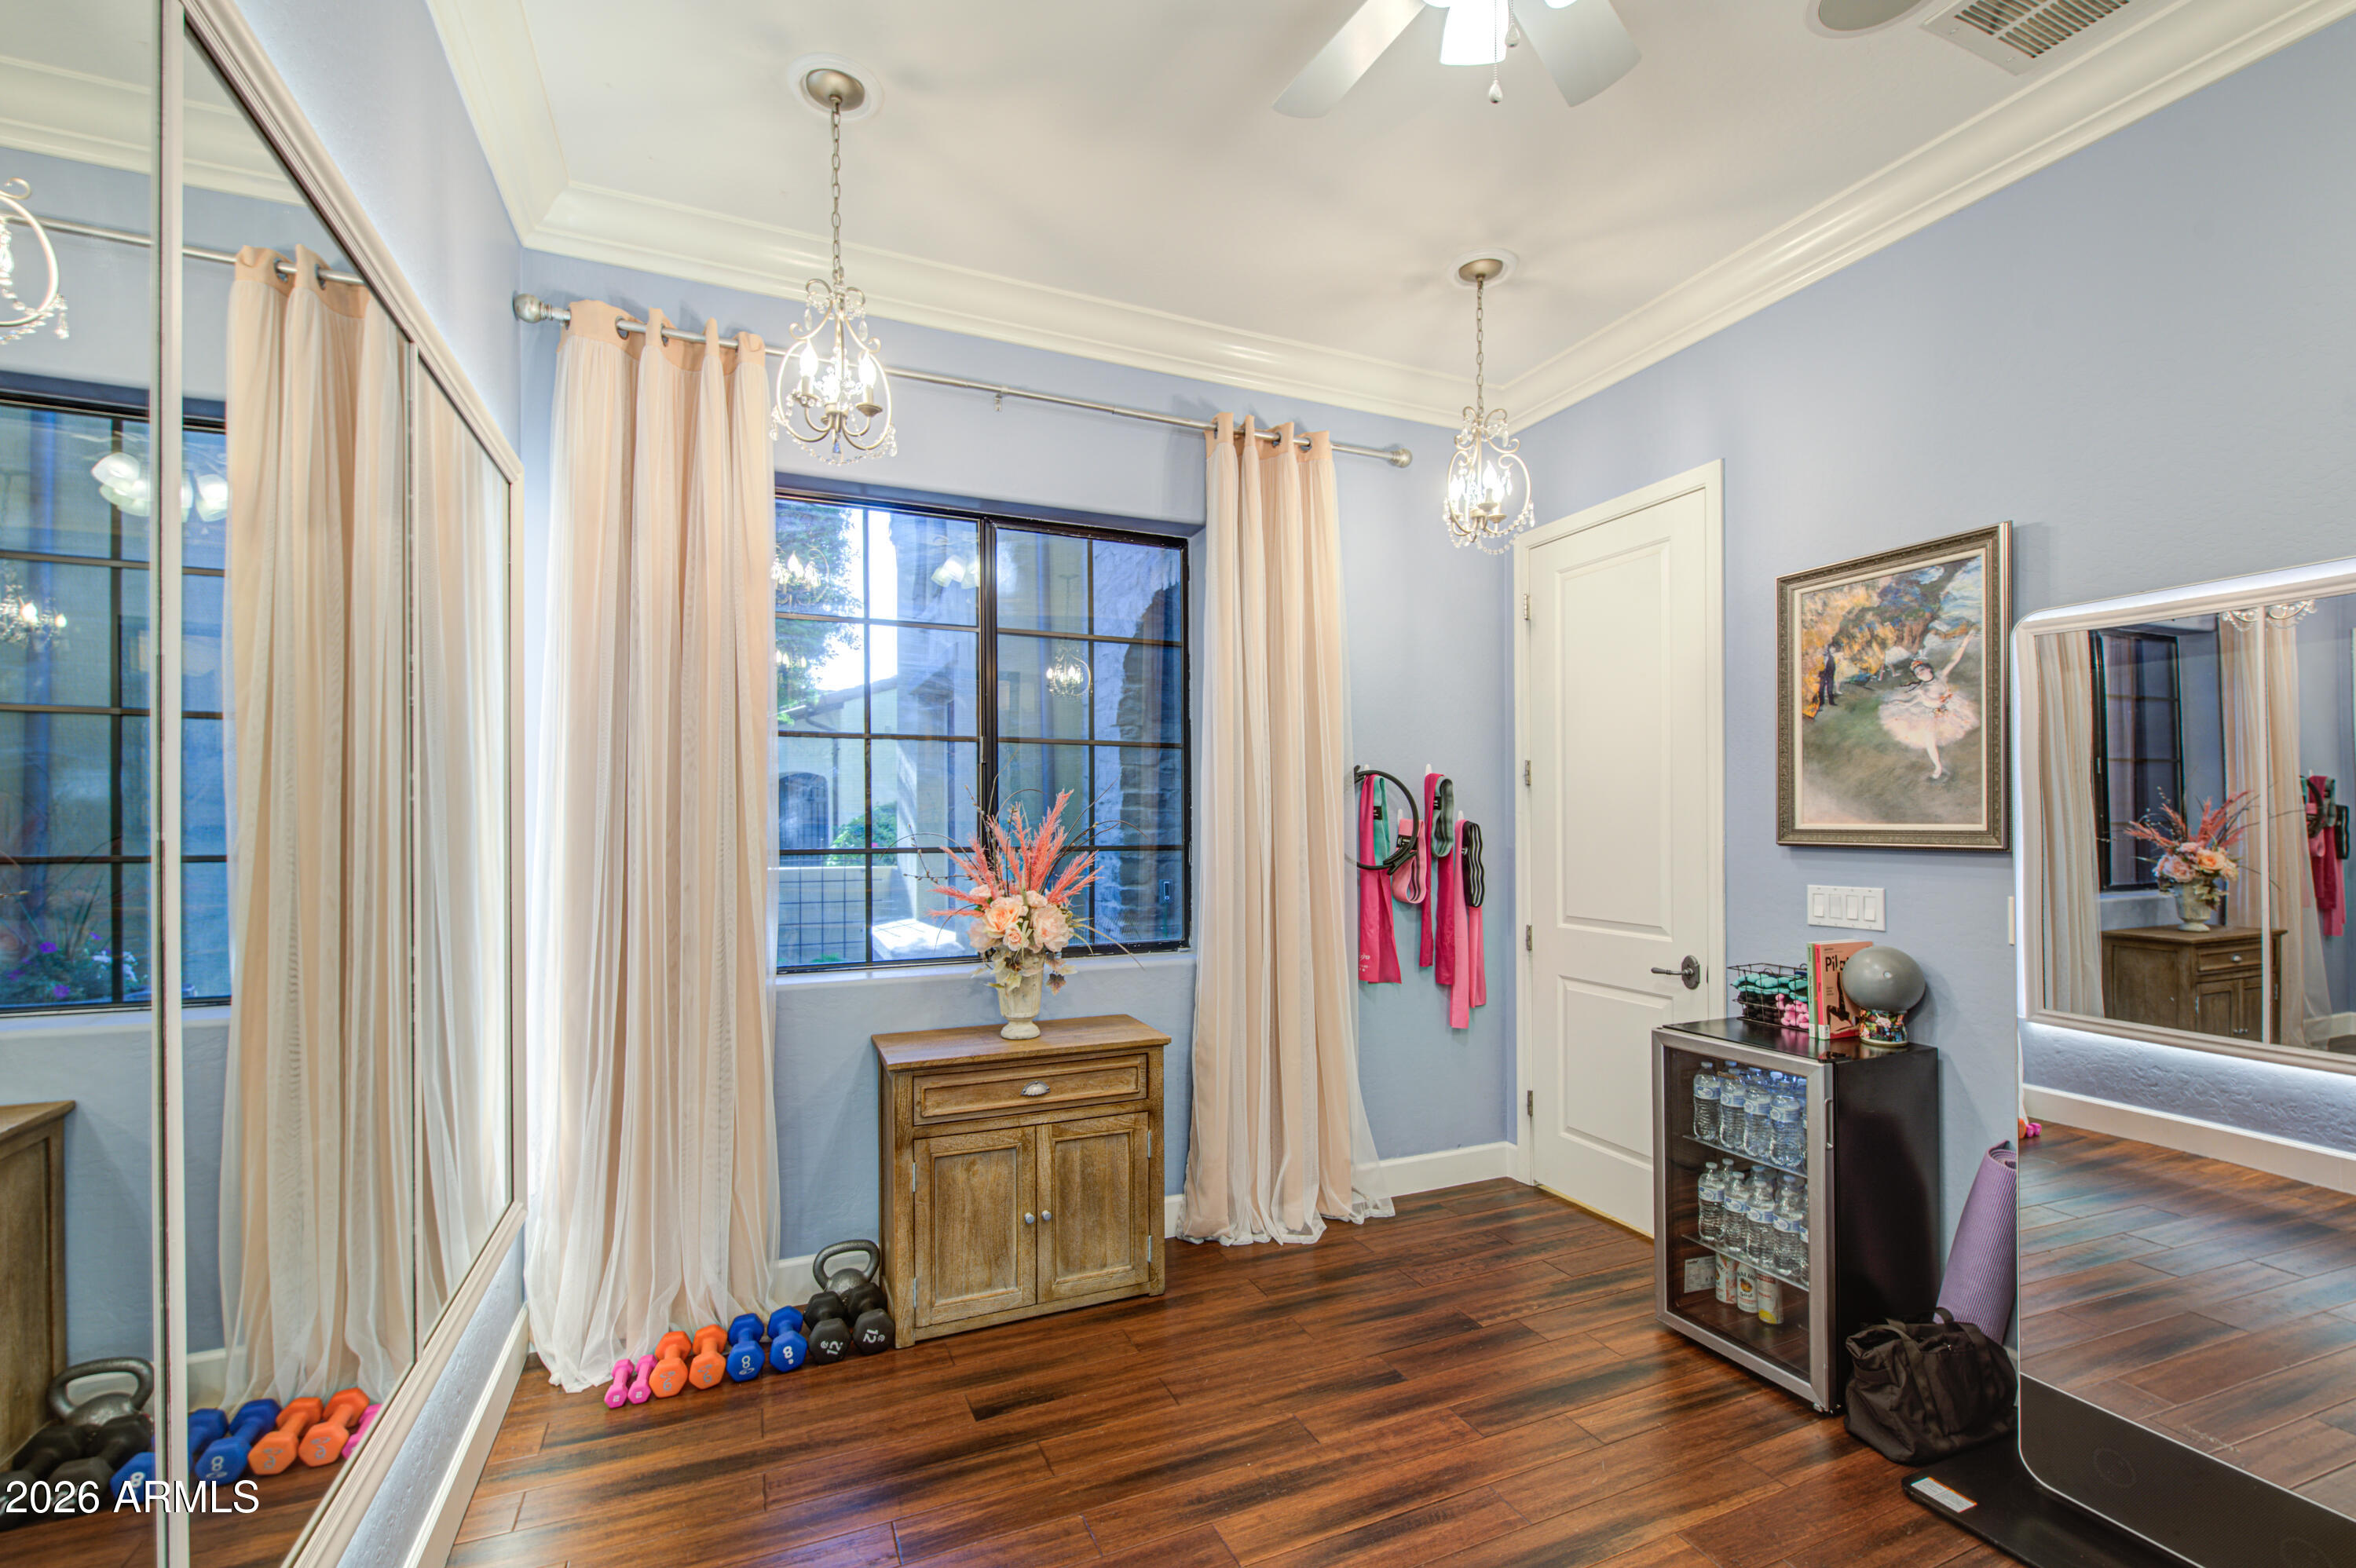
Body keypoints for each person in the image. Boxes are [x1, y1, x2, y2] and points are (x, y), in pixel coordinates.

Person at [1876, 629, 1979, 780]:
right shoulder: (1921, 689)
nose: (1921, 673)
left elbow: (1954, 660)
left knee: (1962, 727)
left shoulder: (1941, 676)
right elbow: (1913, 703)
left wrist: (1966, 641)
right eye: (1918, 673)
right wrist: (1900, 703)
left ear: (1929, 669)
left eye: (1922, 669)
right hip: (1930, 715)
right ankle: (1938, 767)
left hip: (1949, 709)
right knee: (1930, 740)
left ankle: (1972, 752)